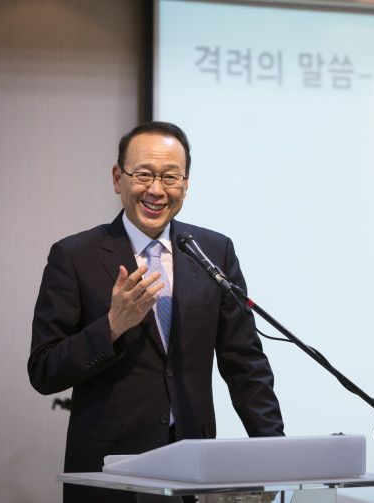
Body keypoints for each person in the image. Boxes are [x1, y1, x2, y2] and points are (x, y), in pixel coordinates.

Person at [28, 121, 284, 503]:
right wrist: (111, 326)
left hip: (193, 471)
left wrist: (275, 453)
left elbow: (245, 364)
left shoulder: (213, 252)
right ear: (118, 178)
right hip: (109, 473)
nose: (156, 189)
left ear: (186, 184)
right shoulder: (74, 256)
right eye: (144, 175)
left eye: (170, 177)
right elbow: (44, 369)